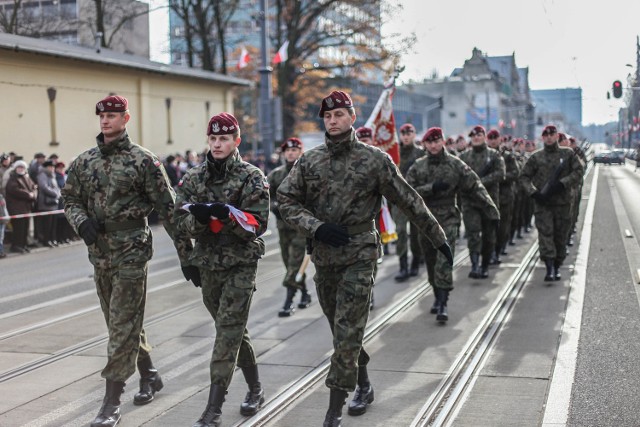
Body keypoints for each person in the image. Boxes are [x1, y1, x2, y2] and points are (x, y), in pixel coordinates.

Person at [277, 90, 452, 427]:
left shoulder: (375, 160)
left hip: (360, 252)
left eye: (339, 115)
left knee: (347, 330)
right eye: (327, 116)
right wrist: (316, 227)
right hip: (325, 255)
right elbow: (285, 201)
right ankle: (365, 383)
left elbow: (409, 199)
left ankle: (333, 409)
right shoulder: (309, 161)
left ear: (352, 117)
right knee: (341, 329)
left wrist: (438, 237)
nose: (333, 121)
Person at [62, 95, 196, 427]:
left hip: (132, 251)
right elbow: (69, 198)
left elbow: (170, 211)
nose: (106, 120)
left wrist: (187, 256)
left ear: (126, 118)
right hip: (100, 252)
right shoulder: (85, 161)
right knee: (119, 321)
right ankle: (149, 374)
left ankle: (111, 402)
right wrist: (81, 222)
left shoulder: (144, 162)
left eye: (113, 115)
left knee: (122, 323)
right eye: (102, 115)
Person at [173, 112, 270, 427]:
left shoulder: (251, 177)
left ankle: (213, 409)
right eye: (213, 138)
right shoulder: (193, 178)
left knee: (227, 332)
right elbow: (177, 220)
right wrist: (199, 222)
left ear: (236, 141)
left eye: (224, 138)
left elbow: (258, 223)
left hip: (241, 263)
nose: (217, 144)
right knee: (232, 332)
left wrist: (226, 216)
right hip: (209, 265)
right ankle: (255, 388)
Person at [406, 127, 499, 322]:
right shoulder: (418, 166)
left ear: (442, 141)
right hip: (425, 220)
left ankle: (443, 303)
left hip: (448, 217)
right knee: (431, 262)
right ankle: (437, 293)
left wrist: (491, 208)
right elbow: (408, 191)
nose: (433, 145)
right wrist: (431, 188)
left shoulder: (456, 164)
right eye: (429, 142)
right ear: (425, 144)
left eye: (437, 141)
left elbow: (475, 185)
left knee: (444, 261)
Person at [520, 125, 584, 281]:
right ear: (543, 138)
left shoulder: (568, 154)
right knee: (545, 235)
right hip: (543, 204)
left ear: (557, 136)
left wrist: (563, 183)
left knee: (560, 237)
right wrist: (534, 193)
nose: (549, 137)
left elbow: (578, 171)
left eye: (552, 134)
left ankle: (557, 265)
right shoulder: (536, 157)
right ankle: (549, 268)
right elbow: (524, 177)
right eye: (546, 134)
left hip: (562, 204)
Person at [267, 137, 312, 317]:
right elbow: (264, 196)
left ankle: (288, 301)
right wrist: (274, 208)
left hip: (301, 228)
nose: (291, 153)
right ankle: (305, 293)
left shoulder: (308, 173)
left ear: (301, 152)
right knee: (289, 263)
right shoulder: (276, 175)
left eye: (294, 150)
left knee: (294, 264)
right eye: (288, 151)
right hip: (283, 227)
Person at [459, 125, 505, 278]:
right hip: (470, 203)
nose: (476, 138)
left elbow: (500, 174)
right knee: (473, 234)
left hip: (488, 202)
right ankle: (474, 265)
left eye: (479, 135)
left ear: (484, 136)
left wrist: (479, 182)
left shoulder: (494, 155)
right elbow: (458, 176)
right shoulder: (464, 157)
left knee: (488, 236)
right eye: (473, 136)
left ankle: (485, 265)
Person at [391, 122, 425, 281]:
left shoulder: (420, 153)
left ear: (414, 134)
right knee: (400, 231)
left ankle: (416, 262)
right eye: (403, 133)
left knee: (416, 234)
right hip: (399, 200)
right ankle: (403, 265)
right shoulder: (394, 153)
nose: (405, 136)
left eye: (409, 133)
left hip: (416, 199)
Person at [486, 129, 519, 263]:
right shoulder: (483, 156)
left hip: (504, 197)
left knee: (502, 227)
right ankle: (489, 252)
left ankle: (497, 250)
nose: (493, 141)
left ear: (500, 139)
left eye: (495, 138)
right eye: (490, 138)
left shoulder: (508, 156)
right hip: (487, 198)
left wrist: (500, 177)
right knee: (487, 228)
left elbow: (515, 173)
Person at [5, 160, 36, 254]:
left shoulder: (27, 177)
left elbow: (34, 187)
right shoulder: (12, 178)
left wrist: (33, 194)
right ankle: (16, 246)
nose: (21, 169)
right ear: (15, 169)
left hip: (26, 208)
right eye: (19, 167)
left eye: (22, 167)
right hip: (17, 209)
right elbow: (14, 190)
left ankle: (23, 245)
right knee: (18, 229)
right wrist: (29, 195)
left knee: (25, 228)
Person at [36, 160, 61, 247]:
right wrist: (55, 194)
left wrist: (58, 193)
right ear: (46, 167)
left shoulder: (52, 175)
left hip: (53, 203)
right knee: (47, 224)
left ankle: (52, 239)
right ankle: (46, 240)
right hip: (46, 204)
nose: (52, 168)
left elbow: (56, 187)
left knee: (53, 224)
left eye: (53, 167)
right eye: (50, 167)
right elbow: (44, 187)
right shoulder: (42, 174)